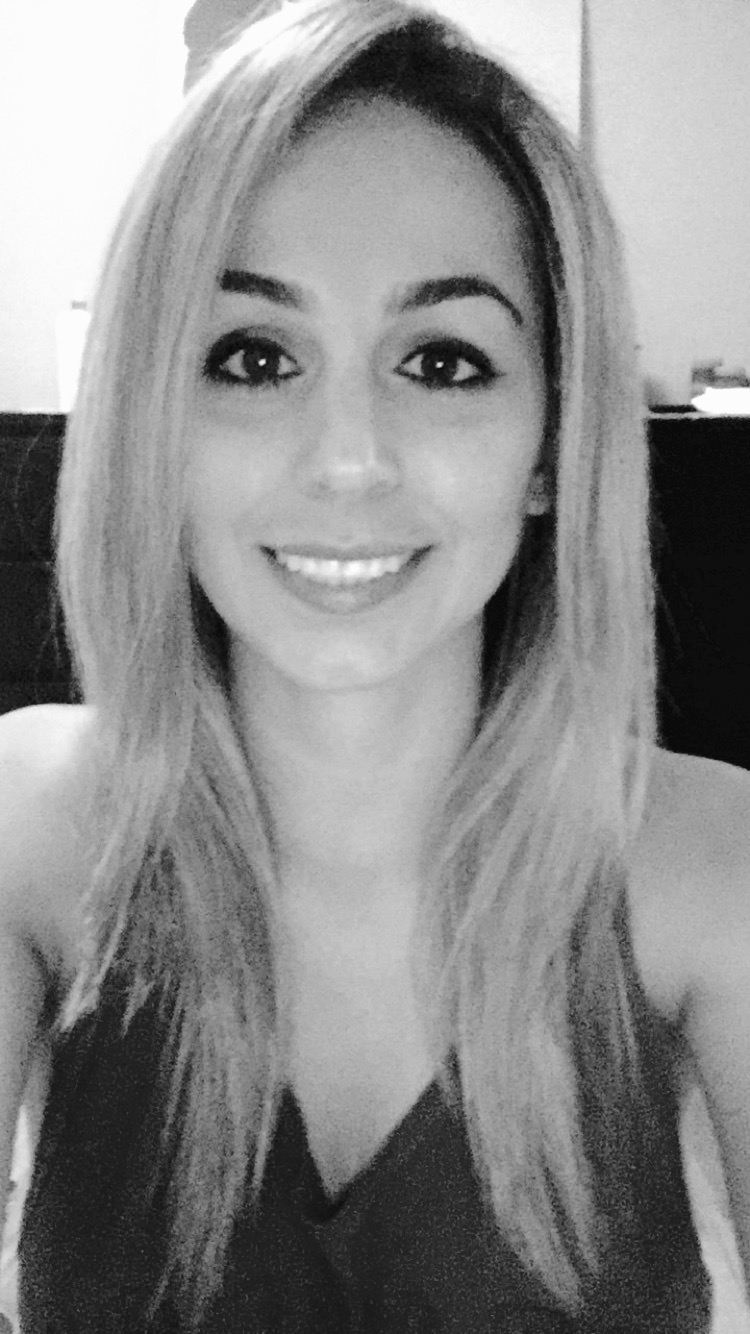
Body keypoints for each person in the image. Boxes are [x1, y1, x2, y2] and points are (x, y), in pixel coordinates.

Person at [1, 0, 749, 1328]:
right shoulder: (29, 828)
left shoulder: (711, 865)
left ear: (550, 445)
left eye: (442, 361)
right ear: (152, 423)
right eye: (253, 357)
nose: (348, 458)